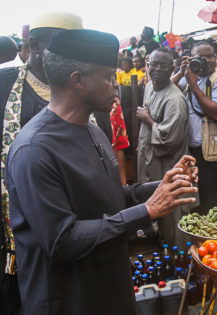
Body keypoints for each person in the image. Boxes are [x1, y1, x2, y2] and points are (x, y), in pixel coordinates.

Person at [5, 28, 198, 315]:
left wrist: (163, 186)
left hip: (108, 288)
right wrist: (147, 211)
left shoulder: (92, 130)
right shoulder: (34, 150)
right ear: (78, 80)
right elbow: (62, 239)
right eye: (108, 77)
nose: (116, 85)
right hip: (67, 300)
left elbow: (107, 196)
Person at [0, 12, 84, 315]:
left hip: (73, 219)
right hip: (18, 215)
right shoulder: (4, 84)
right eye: (63, 48)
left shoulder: (84, 88)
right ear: (33, 45)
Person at [136, 48, 192, 247]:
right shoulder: (150, 86)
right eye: (154, 64)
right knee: (155, 212)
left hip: (168, 165)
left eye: (163, 66)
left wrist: (148, 120)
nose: (158, 69)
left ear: (172, 68)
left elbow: (171, 140)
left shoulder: (174, 99)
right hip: (149, 161)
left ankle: (180, 262)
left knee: (172, 218)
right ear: (148, 65)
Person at [174, 41, 217, 213]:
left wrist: (193, 85)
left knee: (216, 204)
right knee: (198, 203)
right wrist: (181, 73)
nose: (206, 60)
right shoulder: (189, 76)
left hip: (216, 154)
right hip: (194, 153)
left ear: (216, 57)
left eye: (209, 56)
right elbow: (166, 88)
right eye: (200, 57)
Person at [111, 96, 130, 186]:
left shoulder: (114, 102)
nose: (116, 84)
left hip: (111, 173)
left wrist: (123, 182)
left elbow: (119, 144)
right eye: (108, 80)